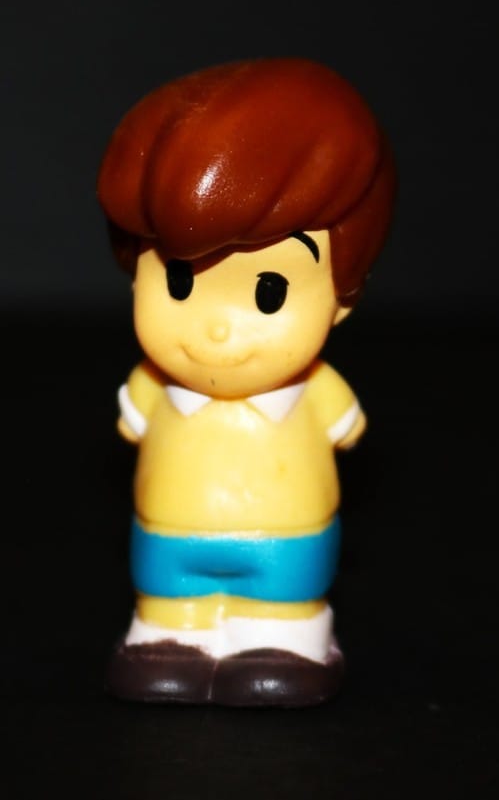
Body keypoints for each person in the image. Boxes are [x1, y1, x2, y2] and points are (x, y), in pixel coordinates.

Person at [96, 57, 396, 706]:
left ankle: (284, 640)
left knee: (281, 607)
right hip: (169, 534)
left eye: (269, 291)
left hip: (286, 538)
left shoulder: (319, 391)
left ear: (341, 298)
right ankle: (170, 638)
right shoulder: (150, 385)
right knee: (167, 603)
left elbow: (348, 429)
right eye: (179, 282)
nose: (216, 330)